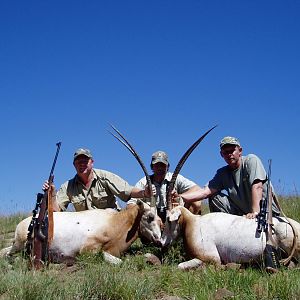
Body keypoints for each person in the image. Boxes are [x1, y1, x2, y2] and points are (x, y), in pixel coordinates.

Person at [173, 136, 280, 219]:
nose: (229, 155)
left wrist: (255, 213)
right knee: (214, 197)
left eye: (232, 150)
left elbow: (257, 186)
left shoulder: (251, 160)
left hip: (265, 212)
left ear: (240, 151)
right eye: (225, 152)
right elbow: (204, 192)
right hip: (244, 214)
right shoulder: (222, 173)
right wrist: (180, 197)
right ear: (221, 154)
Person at [43, 148, 155, 212]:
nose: (82, 164)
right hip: (85, 227)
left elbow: (128, 191)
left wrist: (145, 193)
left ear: (92, 162)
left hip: (109, 223)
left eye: (85, 161)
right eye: (78, 162)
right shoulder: (68, 186)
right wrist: (51, 194)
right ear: (74, 165)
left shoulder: (105, 177)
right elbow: (56, 212)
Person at [127, 150, 202, 222]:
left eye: (162, 165)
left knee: (196, 202)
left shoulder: (175, 178)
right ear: (152, 167)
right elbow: (130, 204)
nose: (160, 168)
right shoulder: (144, 182)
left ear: (167, 167)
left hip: (173, 218)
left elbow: (197, 189)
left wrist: (179, 197)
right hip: (152, 221)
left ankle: (184, 233)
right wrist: (144, 195)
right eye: (156, 165)